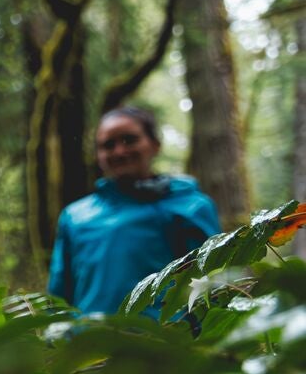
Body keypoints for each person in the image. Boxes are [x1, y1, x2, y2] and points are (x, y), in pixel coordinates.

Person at [47, 105, 220, 315]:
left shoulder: (190, 206)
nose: (119, 151)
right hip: (90, 342)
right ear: (98, 155)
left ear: (155, 145)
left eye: (130, 140)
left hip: (166, 343)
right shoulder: (74, 216)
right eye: (108, 145)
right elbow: (59, 295)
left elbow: (212, 283)